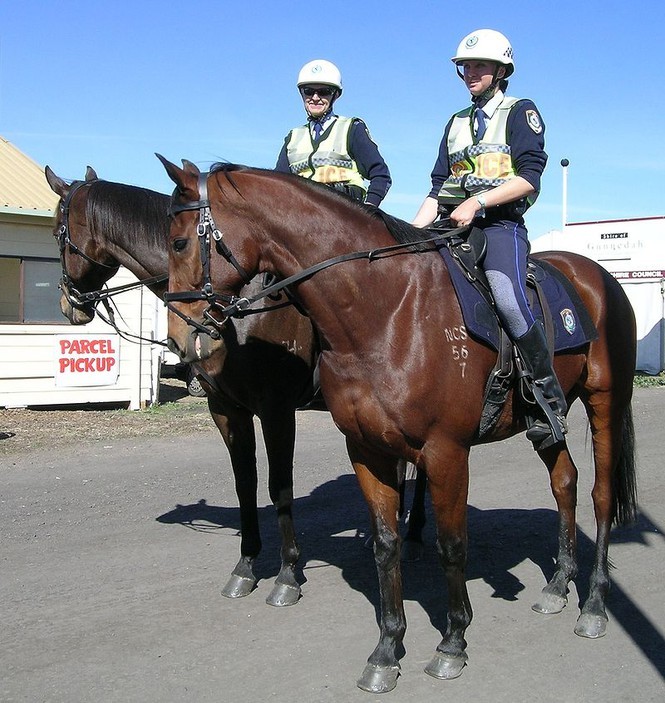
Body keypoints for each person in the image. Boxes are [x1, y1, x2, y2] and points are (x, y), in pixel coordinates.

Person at [412, 29, 566, 451]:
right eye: (465, 66)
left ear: (501, 70)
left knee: (507, 295)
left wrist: (478, 202)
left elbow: (528, 178)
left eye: (479, 66)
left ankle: (546, 398)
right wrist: (411, 232)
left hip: (500, 226)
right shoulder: (456, 122)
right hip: (452, 224)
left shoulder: (521, 111)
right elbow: (438, 185)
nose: (470, 73)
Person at [276, 59, 391, 207]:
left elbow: (381, 175)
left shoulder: (352, 129)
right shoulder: (293, 137)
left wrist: (369, 210)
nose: (315, 98)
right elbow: (279, 184)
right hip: (302, 215)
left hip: (345, 213)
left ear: (335, 95)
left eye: (324, 92)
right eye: (309, 91)